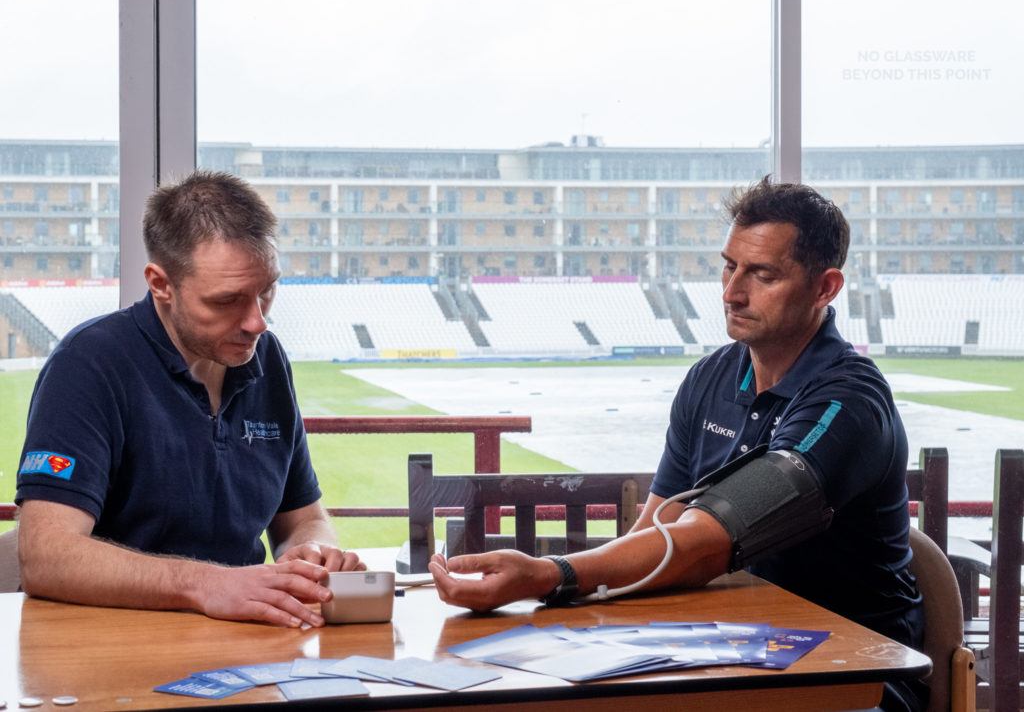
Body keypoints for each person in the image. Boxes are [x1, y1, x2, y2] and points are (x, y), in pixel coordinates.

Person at [429, 177, 926, 712]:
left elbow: (709, 540)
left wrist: (552, 575)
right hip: (734, 654)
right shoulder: (709, 379)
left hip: (858, 678)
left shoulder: (848, 402)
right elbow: (657, 534)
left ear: (825, 288)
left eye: (762, 274)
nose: (732, 292)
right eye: (729, 266)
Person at [15, 170, 363, 628]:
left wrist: (312, 552)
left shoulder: (267, 358)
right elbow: (46, 556)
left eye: (267, 291)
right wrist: (208, 585)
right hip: (108, 644)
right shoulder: (90, 364)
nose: (257, 322)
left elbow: (302, 517)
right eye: (227, 301)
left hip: (242, 640)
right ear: (161, 284)